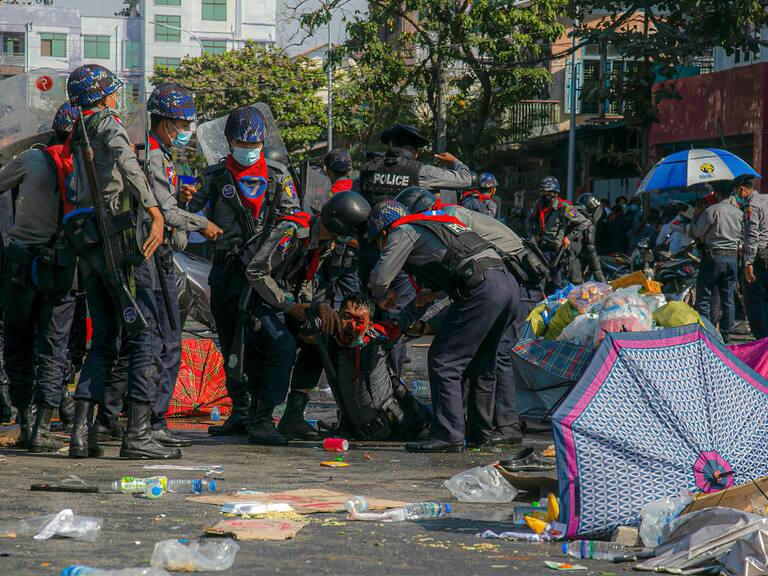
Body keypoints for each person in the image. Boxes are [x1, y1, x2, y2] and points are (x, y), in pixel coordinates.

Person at [95, 84, 224, 449]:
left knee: (145, 341)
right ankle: (150, 422)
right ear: (166, 122)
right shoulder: (151, 153)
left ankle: (117, 416)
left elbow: (164, 197)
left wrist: (181, 192)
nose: (185, 128)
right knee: (163, 342)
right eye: (182, 122)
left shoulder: (160, 152)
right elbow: (164, 212)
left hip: (157, 255)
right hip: (154, 255)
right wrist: (202, 224)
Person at [65, 64, 171, 459]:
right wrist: (154, 209)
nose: (115, 97)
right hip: (119, 242)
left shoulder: (77, 130)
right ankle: (138, 435)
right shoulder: (106, 123)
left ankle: (80, 435)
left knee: (105, 339)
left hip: (89, 242)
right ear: (101, 96)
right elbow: (128, 164)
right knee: (144, 332)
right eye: (111, 90)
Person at [396, 186, 544, 446]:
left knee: (495, 355)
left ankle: (505, 427)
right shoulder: (449, 216)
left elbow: (468, 265)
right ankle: (479, 431)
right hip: (511, 280)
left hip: (514, 280)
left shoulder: (450, 218)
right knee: (483, 357)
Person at [367, 200, 519, 452]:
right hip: (506, 284)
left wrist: (381, 295)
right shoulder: (438, 225)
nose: (381, 247)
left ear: (383, 232)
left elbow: (381, 277)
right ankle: (480, 434)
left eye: (378, 242)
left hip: (482, 289)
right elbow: (428, 296)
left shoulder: (402, 230)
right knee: (482, 364)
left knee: (444, 359)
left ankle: (448, 435)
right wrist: (402, 322)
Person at [188, 105, 300, 439]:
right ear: (228, 140)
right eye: (241, 141)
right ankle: (241, 412)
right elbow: (190, 212)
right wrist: (185, 198)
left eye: (253, 143)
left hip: (264, 276)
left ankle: (263, 418)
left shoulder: (278, 176)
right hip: (225, 273)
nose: (248, 149)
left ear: (263, 141)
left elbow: (293, 220)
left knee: (278, 345)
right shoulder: (214, 176)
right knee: (231, 346)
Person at [243, 191, 370, 445]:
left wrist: (316, 306)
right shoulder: (292, 232)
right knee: (284, 346)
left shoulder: (325, 244)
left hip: (286, 302)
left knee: (317, 337)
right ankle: (261, 420)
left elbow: (305, 279)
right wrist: (290, 306)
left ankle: (293, 415)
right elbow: (256, 272)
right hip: (259, 300)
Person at [358, 124, 473, 377]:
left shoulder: (367, 170)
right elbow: (466, 179)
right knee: (395, 319)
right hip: (400, 253)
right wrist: (456, 162)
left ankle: (362, 377)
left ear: (389, 145)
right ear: (416, 152)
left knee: (362, 316)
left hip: (366, 251)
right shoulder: (417, 170)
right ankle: (392, 382)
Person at [0, 103, 79, 452]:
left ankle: (25, 424)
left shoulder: (33, 160)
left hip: (21, 263)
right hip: (62, 267)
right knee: (54, 347)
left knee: (18, 344)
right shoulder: (89, 166)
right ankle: (44, 431)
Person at [314, 291, 431, 440]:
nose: (351, 325)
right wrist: (318, 306)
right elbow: (305, 317)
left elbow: (403, 320)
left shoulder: (376, 337)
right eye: (347, 316)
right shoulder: (329, 334)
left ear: (369, 324)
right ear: (338, 315)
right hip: (355, 431)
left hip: (395, 427)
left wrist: (419, 303)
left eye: (359, 320)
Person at [688, 183, 743, 343]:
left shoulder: (712, 210)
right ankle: (726, 336)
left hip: (713, 258)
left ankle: (707, 334)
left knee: (704, 296)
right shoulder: (738, 213)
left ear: (717, 194)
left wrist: (696, 215)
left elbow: (696, 232)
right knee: (728, 298)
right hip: (733, 258)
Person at [527, 176, 589, 292]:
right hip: (539, 249)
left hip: (556, 251)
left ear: (555, 193)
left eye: (547, 192)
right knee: (538, 283)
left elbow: (584, 222)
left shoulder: (564, 207)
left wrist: (568, 237)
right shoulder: (538, 205)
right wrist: (531, 237)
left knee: (556, 284)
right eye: (542, 192)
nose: (544, 195)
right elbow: (528, 220)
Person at [738, 177, 768, 339]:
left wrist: (748, 262)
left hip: (760, 257)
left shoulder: (752, 206)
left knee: (754, 300)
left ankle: (762, 341)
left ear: (742, 189)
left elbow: (752, 235)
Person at [569, 193, 606, 283]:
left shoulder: (570, 213)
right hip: (572, 263)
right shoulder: (587, 223)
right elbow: (591, 251)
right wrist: (600, 277)